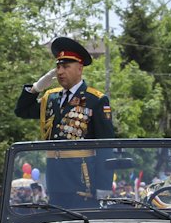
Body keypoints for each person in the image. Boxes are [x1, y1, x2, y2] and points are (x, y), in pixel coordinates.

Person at [14, 37, 113, 208]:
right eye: (58, 67)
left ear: (80, 69)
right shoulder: (51, 98)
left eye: (66, 67)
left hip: (82, 181)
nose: (60, 72)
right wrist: (36, 89)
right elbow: (22, 111)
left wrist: (103, 187)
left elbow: (106, 147)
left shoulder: (95, 100)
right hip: (55, 179)